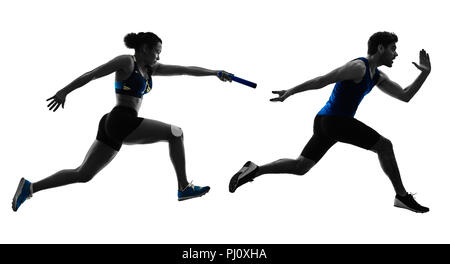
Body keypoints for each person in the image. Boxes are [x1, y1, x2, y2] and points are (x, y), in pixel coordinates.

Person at [12, 32, 233, 211]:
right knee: (176, 133)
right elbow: (93, 73)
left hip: (116, 123)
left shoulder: (150, 69)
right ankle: (184, 187)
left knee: (83, 174)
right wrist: (64, 91)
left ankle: (31, 188)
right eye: (157, 52)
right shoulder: (127, 62)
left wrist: (215, 72)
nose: (159, 57)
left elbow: (186, 70)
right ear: (145, 49)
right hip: (121, 120)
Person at [229, 32, 431, 213]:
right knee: (384, 146)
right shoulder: (358, 67)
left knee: (300, 167)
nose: (396, 54)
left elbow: (405, 95)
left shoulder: (377, 76)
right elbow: (322, 80)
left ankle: (255, 169)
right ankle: (402, 196)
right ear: (380, 48)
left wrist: (424, 73)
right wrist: (290, 91)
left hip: (328, 123)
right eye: (393, 49)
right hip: (334, 121)